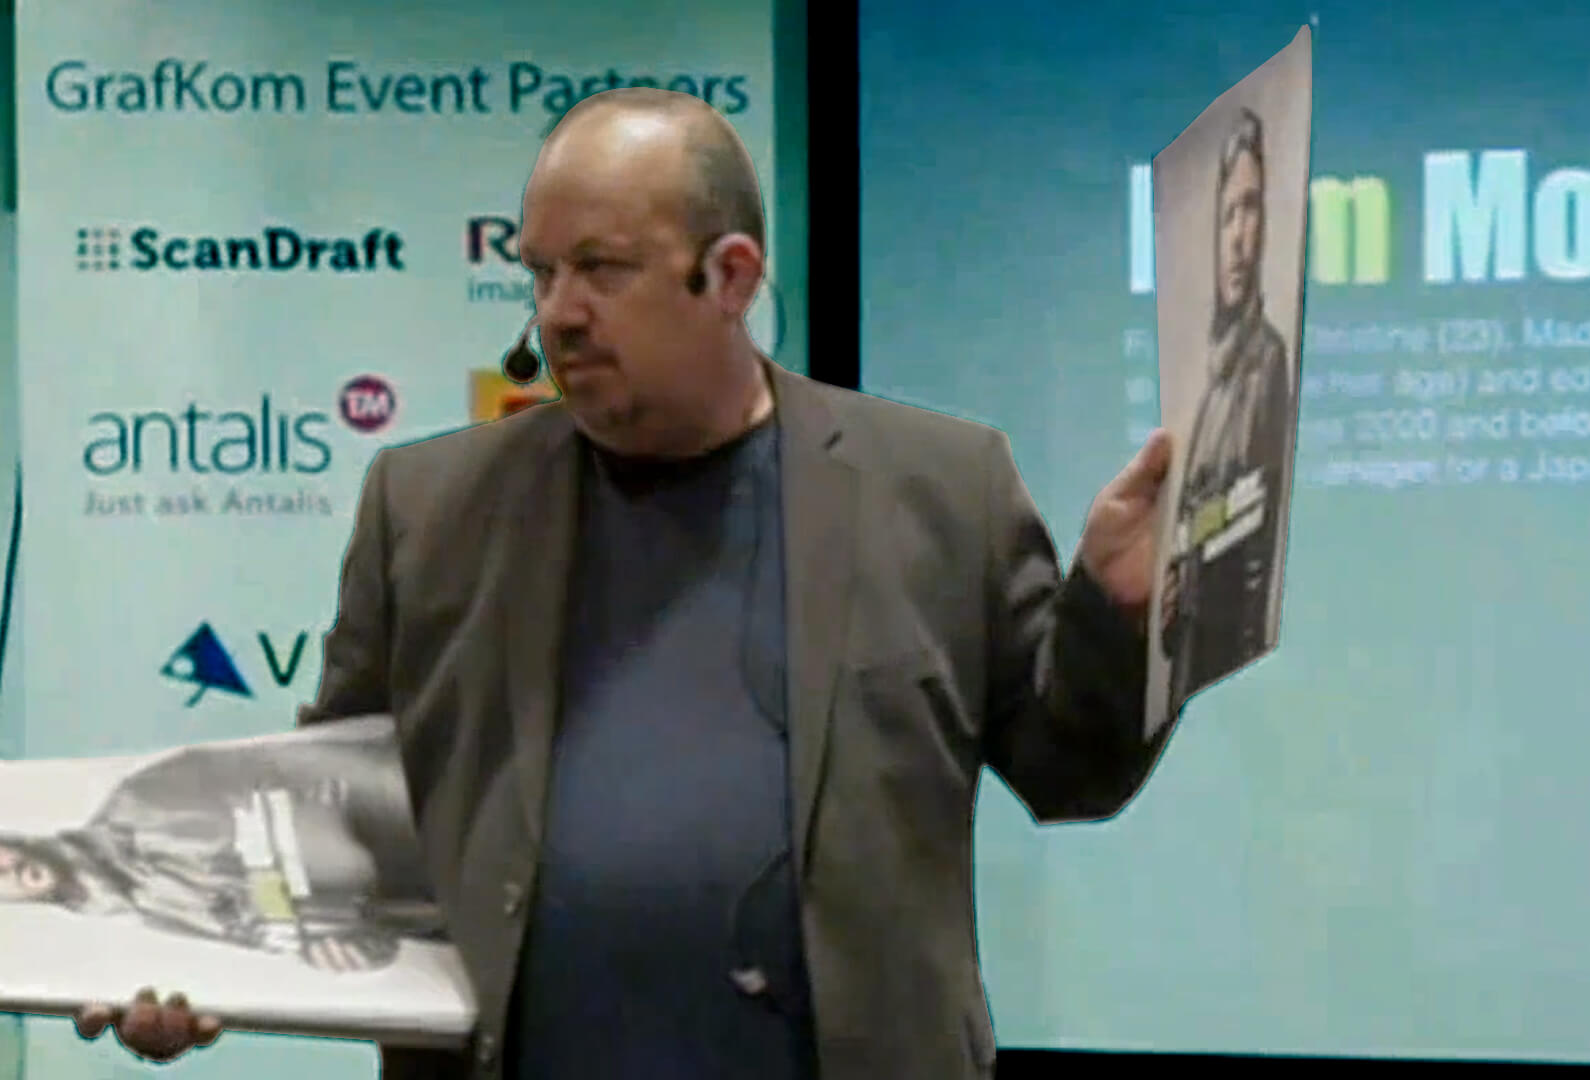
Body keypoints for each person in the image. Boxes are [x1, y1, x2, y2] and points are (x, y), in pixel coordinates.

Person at [79, 86, 1178, 1079]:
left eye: (602, 269)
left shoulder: (940, 487)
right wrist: (202, 964)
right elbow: (329, 812)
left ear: (730, 276)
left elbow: (1072, 772)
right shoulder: (429, 509)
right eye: (541, 272)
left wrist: (1123, 613)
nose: (557, 312)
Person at [3, 716, 440, 970]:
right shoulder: (153, 909)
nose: (2, 872)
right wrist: (347, 950)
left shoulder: (140, 805)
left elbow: (309, 772)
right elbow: (294, 927)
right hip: (440, 916)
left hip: (420, 809)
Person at [1159, 106, 1299, 717]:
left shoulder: (1266, 362)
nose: (1241, 237)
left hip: (1232, 703)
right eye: (1228, 215)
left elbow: (1256, 556)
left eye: (1253, 209)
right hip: (1187, 691)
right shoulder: (1206, 382)